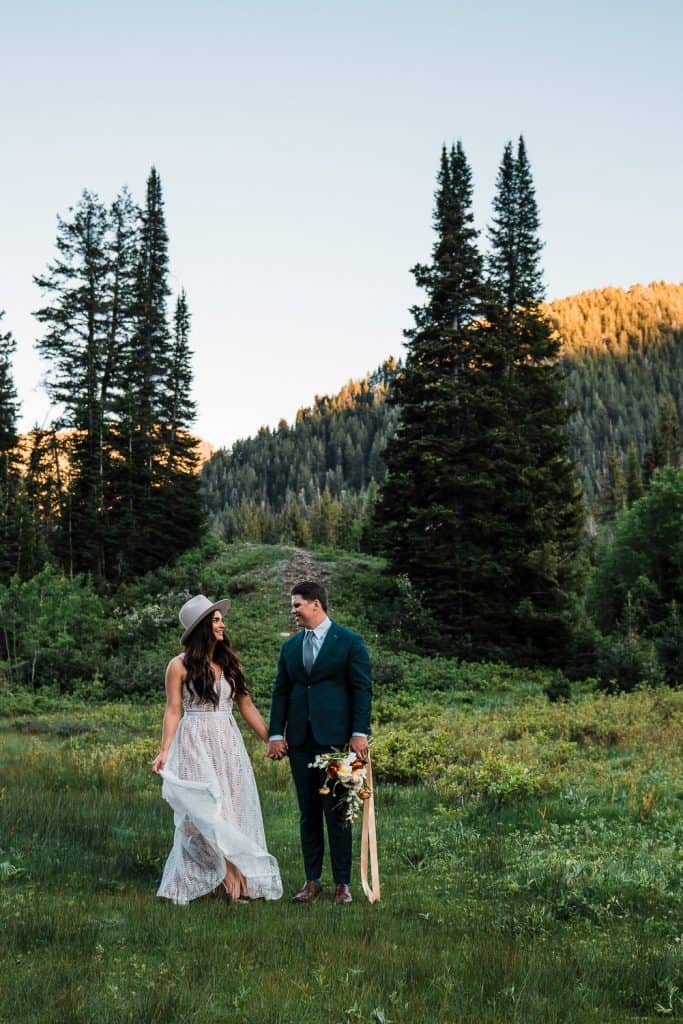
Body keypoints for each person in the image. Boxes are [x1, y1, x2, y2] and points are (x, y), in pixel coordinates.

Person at [152, 594, 282, 905]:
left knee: (232, 808)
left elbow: (246, 705)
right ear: (201, 627)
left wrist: (271, 738)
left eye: (221, 619)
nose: (222, 623)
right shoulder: (179, 666)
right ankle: (222, 878)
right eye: (215, 619)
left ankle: (237, 879)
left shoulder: (230, 663)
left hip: (227, 740)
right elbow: (173, 710)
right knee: (205, 811)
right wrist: (165, 750)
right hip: (195, 739)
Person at [268, 580, 372, 905]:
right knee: (308, 812)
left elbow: (361, 690)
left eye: (297, 604)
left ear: (316, 604)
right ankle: (312, 880)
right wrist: (275, 734)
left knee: (339, 811)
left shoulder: (350, 642)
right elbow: (281, 692)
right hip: (300, 740)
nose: (293, 610)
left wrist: (359, 733)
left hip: (340, 742)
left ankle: (343, 884)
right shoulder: (290, 647)